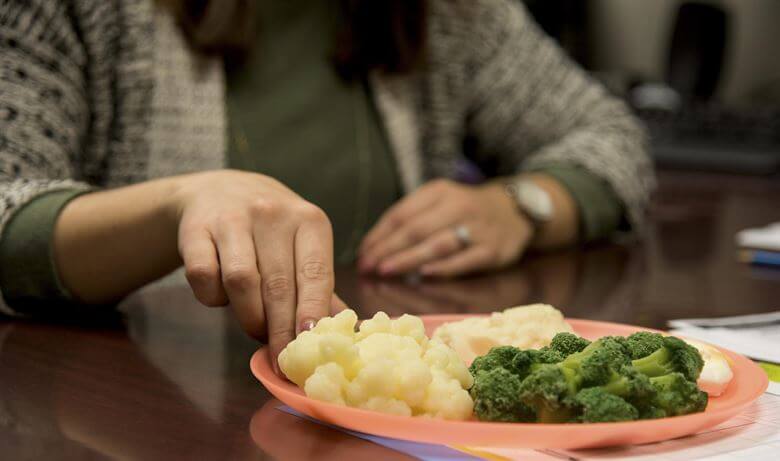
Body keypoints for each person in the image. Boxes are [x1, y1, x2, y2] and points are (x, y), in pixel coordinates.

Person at [0, 0, 653, 369]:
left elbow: (609, 136)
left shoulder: (454, 13)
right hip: (136, 404)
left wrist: (524, 203)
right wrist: (176, 206)